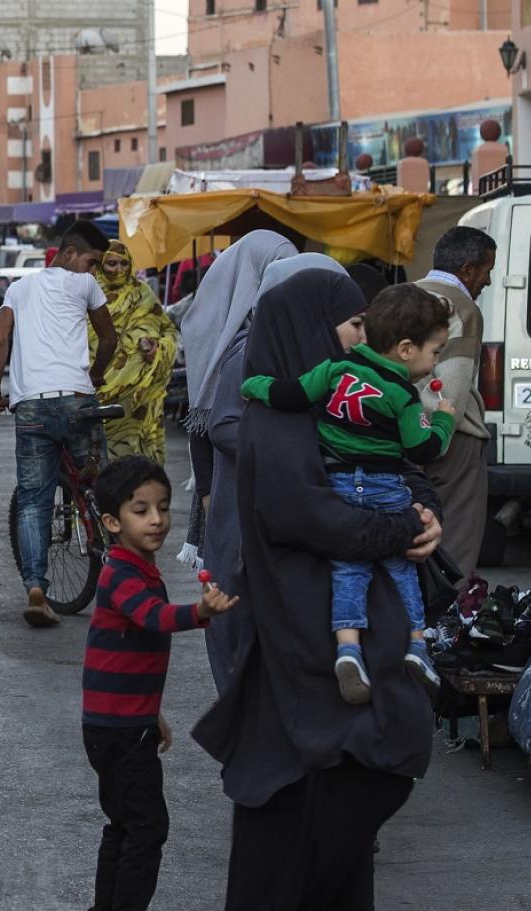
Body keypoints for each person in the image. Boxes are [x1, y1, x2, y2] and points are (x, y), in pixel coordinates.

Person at [192, 269, 444, 909]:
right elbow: (310, 515)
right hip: (304, 637)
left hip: (332, 637)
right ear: (309, 330)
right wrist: (399, 527)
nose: (368, 337)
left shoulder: (338, 407)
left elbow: (402, 466)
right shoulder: (275, 423)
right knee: (311, 806)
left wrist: (424, 513)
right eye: (356, 324)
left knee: (335, 824)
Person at [241, 283, 455, 702]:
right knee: (401, 570)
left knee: (348, 572)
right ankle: (417, 640)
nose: (434, 365)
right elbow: (421, 450)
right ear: (407, 349)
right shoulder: (402, 395)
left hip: (342, 482)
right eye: (435, 353)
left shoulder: (336, 370)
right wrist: (444, 421)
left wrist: (255, 386)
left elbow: (292, 392)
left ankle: (348, 648)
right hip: (382, 489)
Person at [82, 456, 238, 911]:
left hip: (123, 724)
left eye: (164, 507)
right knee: (147, 828)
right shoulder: (121, 573)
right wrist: (201, 612)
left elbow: (135, 649)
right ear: (112, 522)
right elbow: (156, 619)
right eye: (141, 510)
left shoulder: (140, 567)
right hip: (119, 733)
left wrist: (153, 713)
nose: (157, 520)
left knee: (125, 824)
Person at [200, 252, 342, 690]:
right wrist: (289, 449)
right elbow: (222, 424)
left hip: (294, 514)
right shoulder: (249, 351)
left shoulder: (320, 354)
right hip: (245, 517)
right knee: (240, 629)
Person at [0, 227, 117, 628]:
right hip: (77, 400)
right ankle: (120, 581)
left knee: (32, 501)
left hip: (32, 406)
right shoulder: (85, 284)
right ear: (71, 254)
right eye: (92, 260)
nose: (94, 268)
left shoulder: (19, 290)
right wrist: (93, 376)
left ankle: (36, 591)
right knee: (103, 489)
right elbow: (108, 339)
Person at [177, 231, 296, 574]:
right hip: (231, 491)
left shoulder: (267, 328)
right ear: (252, 274)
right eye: (277, 269)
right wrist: (209, 500)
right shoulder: (231, 338)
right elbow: (204, 423)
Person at [416, 226, 496, 582]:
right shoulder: (463, 308)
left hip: (403, 432)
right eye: (486, 270)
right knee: (456, 546)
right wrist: (438, 437)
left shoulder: (405, 293)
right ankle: (449, 622)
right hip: (450, 440)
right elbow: (452, 390)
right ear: (466, 269)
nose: (489, 281)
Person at [91, 241, 179, 464]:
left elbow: (169, 330)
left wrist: (158, 347)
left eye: (123, 263)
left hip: (141, 393)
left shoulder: (143, 294)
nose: (118, 269)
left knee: (135, 452)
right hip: (98, 387)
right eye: (111, 263)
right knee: (99, 455)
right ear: (101, 264)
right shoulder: (89, 293)